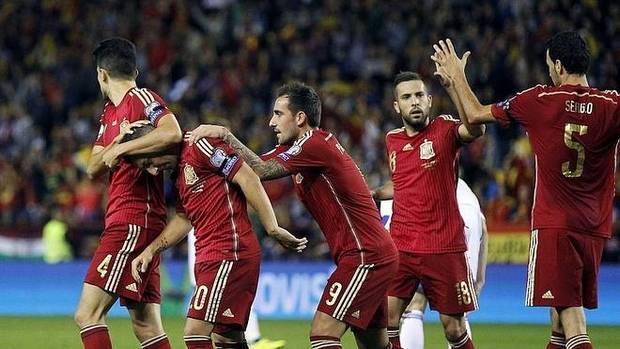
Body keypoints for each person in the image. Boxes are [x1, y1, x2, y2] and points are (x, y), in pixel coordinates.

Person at [432, 32, 618, 349]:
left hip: (556, 226)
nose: (548, 71)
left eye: (549, 65)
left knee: (571, 318)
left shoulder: (539, 101)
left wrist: (458, 78)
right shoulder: (612, 104)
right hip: (595, 229)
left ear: (558, 65)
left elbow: (475, 114)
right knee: (558, 324)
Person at [186, 81, 399, 349]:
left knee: (323, 334)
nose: (271, 122)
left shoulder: (315, 143)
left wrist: (225, 136)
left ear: (300, 117)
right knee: (374, 345)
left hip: (365, 255)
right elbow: (250, 166)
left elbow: (260, 170)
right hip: (368, 253)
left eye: (278, 114)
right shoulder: (301, 148)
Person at [127, 124, 307, 349]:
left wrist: (272, 227)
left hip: (229, 251)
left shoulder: (200, 146)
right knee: (227, 339)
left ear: (157, 144)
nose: (154, 171)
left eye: (149, 162)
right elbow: (184, 219)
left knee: (195, 333)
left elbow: (248, 176)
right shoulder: (177, 175)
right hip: (210, 257)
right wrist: (151, 250)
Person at [74, 37, 182, 349]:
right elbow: (94, 166)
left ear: (101, 75)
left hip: (133, 219)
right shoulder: (109, 113)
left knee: (88, 314)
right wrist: (115, 144)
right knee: (145, 325)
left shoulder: (142, 97)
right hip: (135, 222)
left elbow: (172, 131)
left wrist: (123, 146)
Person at [375, 71, 484, 349]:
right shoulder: (392, 140)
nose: (414, 102)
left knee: (454, 329)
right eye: (407, 97)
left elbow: (475, 129)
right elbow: (403, 182)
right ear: (396, 106)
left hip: (443, 247)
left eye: (419, 95)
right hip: (402, 247)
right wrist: (374, 192)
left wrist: (456, 84)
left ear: (430, 100)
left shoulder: (445, 130)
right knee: (385, 319)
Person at [374, 178, 488, 349]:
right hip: (461, 226)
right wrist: (479, 279)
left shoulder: (402, 184)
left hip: (429, 229)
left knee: (413, 306)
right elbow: (483, 227)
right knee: (457, 320)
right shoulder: (463, 191)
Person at [187, 229, 287, 349]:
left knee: (221, 332)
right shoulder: (199, 225)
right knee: (200, 332)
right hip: (211, 263)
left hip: (223, 257)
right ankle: (254, 339)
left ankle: (254, 339)